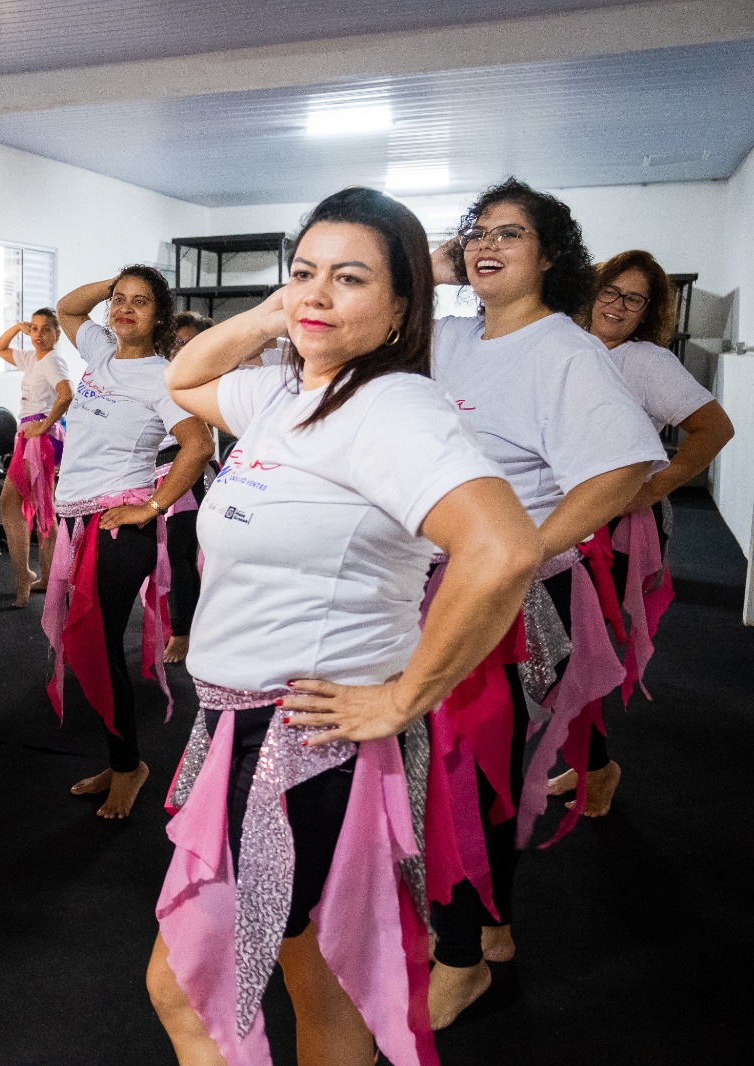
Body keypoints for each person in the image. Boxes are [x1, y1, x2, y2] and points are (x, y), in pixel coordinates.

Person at [147, 187, 538, 1066]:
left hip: (296, 745)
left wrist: (404, 696)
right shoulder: (291, 394)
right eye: (304, 272)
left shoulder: (391, 409)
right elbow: (185, 376)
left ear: (403, 306)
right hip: (243, 726)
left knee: (186, 989)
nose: (315, 295)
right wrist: (280, 310)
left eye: (349, 278)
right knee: (318, 979)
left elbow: (503, 549)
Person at [425, 179, 665, 1027]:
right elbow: (396, 290)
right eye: (477, 232)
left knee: (458, 768)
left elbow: (624, 468)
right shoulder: (449, 335)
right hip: (429, 582)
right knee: (452, 766)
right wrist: (449, 260)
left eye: (512, 234)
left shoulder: (565, 350)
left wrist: (526, 551)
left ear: (551, 255)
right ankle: (485, 928)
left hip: (509, 598)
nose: (488, 245)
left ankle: (461, 954)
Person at [551, 250, 735, 814]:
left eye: (634, 299)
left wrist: (658, 487)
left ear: (648, 311)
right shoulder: (560, 344)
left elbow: (714, 427)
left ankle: (599, 769)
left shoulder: (647, 362)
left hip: (618, 528)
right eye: (610, 290)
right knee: (559, 647)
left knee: (584, 649)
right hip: (562, 517)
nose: (617, 305)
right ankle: (588, 762)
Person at [47, 266, 213, 819]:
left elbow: (198, 443)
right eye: (119, 300)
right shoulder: (99, 353)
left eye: (140, 302)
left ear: (160, 315)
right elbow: (70, 307)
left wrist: (155, 503)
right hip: (81, 522)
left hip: (118, 528)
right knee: (90, 647)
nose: (123, 309)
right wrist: (113, 280)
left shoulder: (163, 378)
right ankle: (120, 760)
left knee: (96, 646)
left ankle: (129, 767)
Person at [0, 308, 72, 607]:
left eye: (45, 330)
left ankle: (25, 578)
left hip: (40, 440)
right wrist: (16, 327)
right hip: (28, 437)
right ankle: (45, 577)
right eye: (34, 329)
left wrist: (46, 424)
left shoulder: (53, 360)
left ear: (57, 334)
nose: (38, 335)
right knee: (38, 506)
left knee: (14, 504)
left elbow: (66, 394)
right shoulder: (32, 358)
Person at [160, 310, 218, 663]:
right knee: (175, 556)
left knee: (180, 554)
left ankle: (183, 633)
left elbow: (201, 442)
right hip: (158, 471)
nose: (182, 348)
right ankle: (186, 627)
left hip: (190, 470)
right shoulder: (159, 375)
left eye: (191, 343)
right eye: (177, 341)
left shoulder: (204, 379)